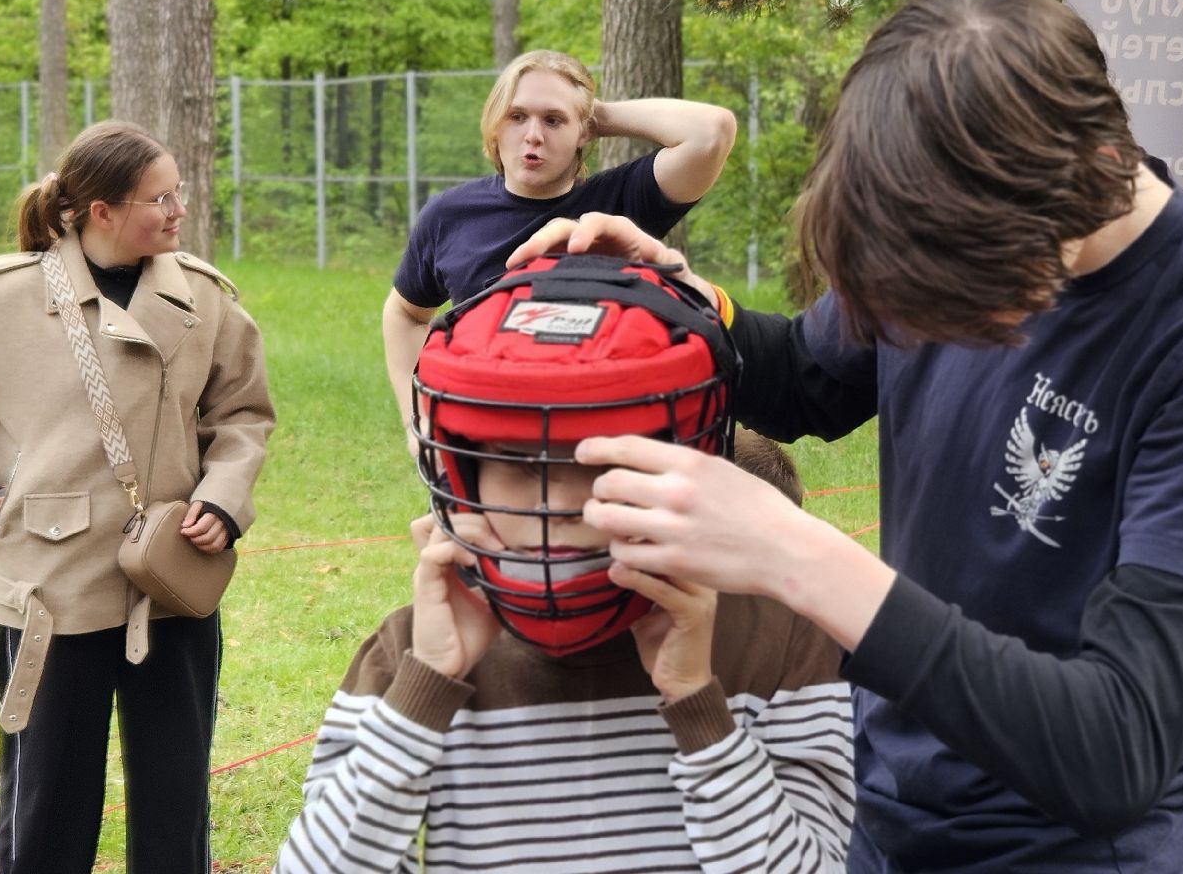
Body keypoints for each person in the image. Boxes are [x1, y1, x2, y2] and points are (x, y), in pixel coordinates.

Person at [508, 0, 1183, 872]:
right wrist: (678, 305)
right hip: (885, 813)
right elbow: (805, 381)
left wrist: (793, 554)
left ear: (1058, 202)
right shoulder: (953, 221)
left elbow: (1117, 748)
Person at [277, 253, 853, 873]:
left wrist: (697, 707)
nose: (561, 503)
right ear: (464, 470)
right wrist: (427, 688)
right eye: (522, 465)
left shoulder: (780, 639)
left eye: (602, 466)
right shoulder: (409, 651)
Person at [0, 121, 276, 874]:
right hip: (49, 590)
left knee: (174, 797)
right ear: (102, 211)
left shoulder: (205, 299)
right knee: (47, 802)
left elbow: (243, 414)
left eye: (177, 193)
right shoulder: (6, 299)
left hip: (174, 579)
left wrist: (222, 499)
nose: (178, 209)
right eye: (159, 198)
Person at [381, 49, 737, 444]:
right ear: (496, 124)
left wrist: (592, 113)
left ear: (584, 132)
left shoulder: (620, 202)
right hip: (489, 446)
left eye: (553, 120)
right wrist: (418, 418)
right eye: (516, 116)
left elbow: (712, 132)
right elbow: (405, 313)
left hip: (594, 441)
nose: (533, 135)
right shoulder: (450, 215)